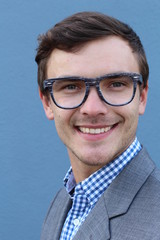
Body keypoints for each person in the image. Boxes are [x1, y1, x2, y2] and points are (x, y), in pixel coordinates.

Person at [35, 11, 160, 240]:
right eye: (71, 86)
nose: (93, 109)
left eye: (115, 83)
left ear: (141, 97)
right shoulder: (64, 202)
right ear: (47, 103)